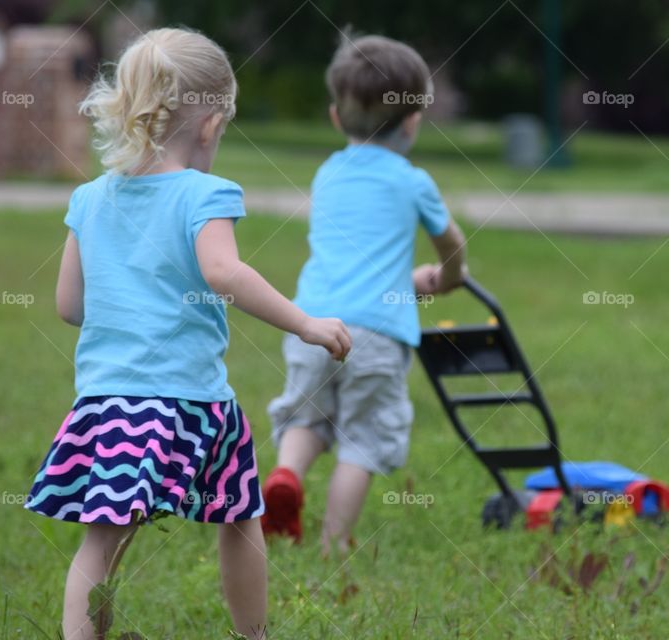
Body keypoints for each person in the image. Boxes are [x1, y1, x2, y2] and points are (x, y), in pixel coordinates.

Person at [23, 27, 351, 640]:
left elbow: (70, 306)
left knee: (103, 541)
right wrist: (304, 322)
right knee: (239, 515)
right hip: (192, 403)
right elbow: (223, 272)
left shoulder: (89, 199)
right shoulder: (206, 194)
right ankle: (252, 635)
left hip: (108, 401)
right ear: (209, 124)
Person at [262, 33, 467, 556]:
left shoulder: (327, 174)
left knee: (306, 416)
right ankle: (334, 543)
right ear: (413, 119)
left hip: (309, 324)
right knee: (363, 439)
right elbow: (451, 244)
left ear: (336, 117)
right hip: (376, 334)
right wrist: (447, 277)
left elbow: (357, 256)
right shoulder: (411, 180)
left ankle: (287, 473)